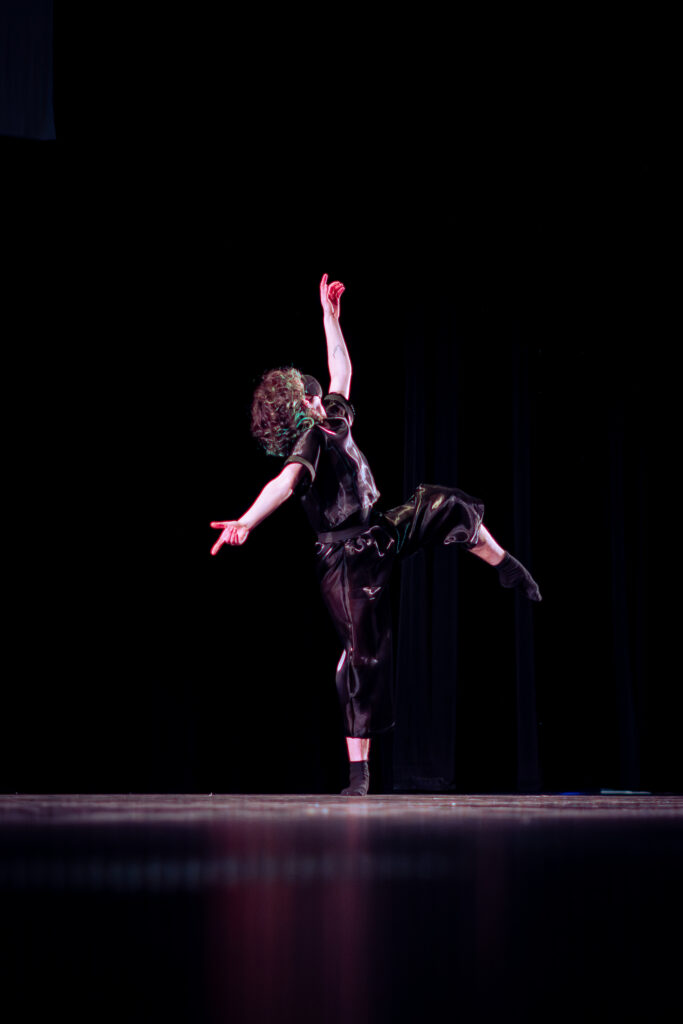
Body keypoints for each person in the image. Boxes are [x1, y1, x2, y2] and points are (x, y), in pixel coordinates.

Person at [210, 274, 542, 796]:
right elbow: (284, 484)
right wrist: (247, 521)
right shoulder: (309, 444)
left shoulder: (332, 419)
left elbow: (341, 368)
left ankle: (506, 566)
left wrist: (329, 317)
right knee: (364, 657)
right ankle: (358, 775)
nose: (320, 396)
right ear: (300, 409)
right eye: (311, 397)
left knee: (444, 504)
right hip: (345, 564)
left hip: (378, 532)